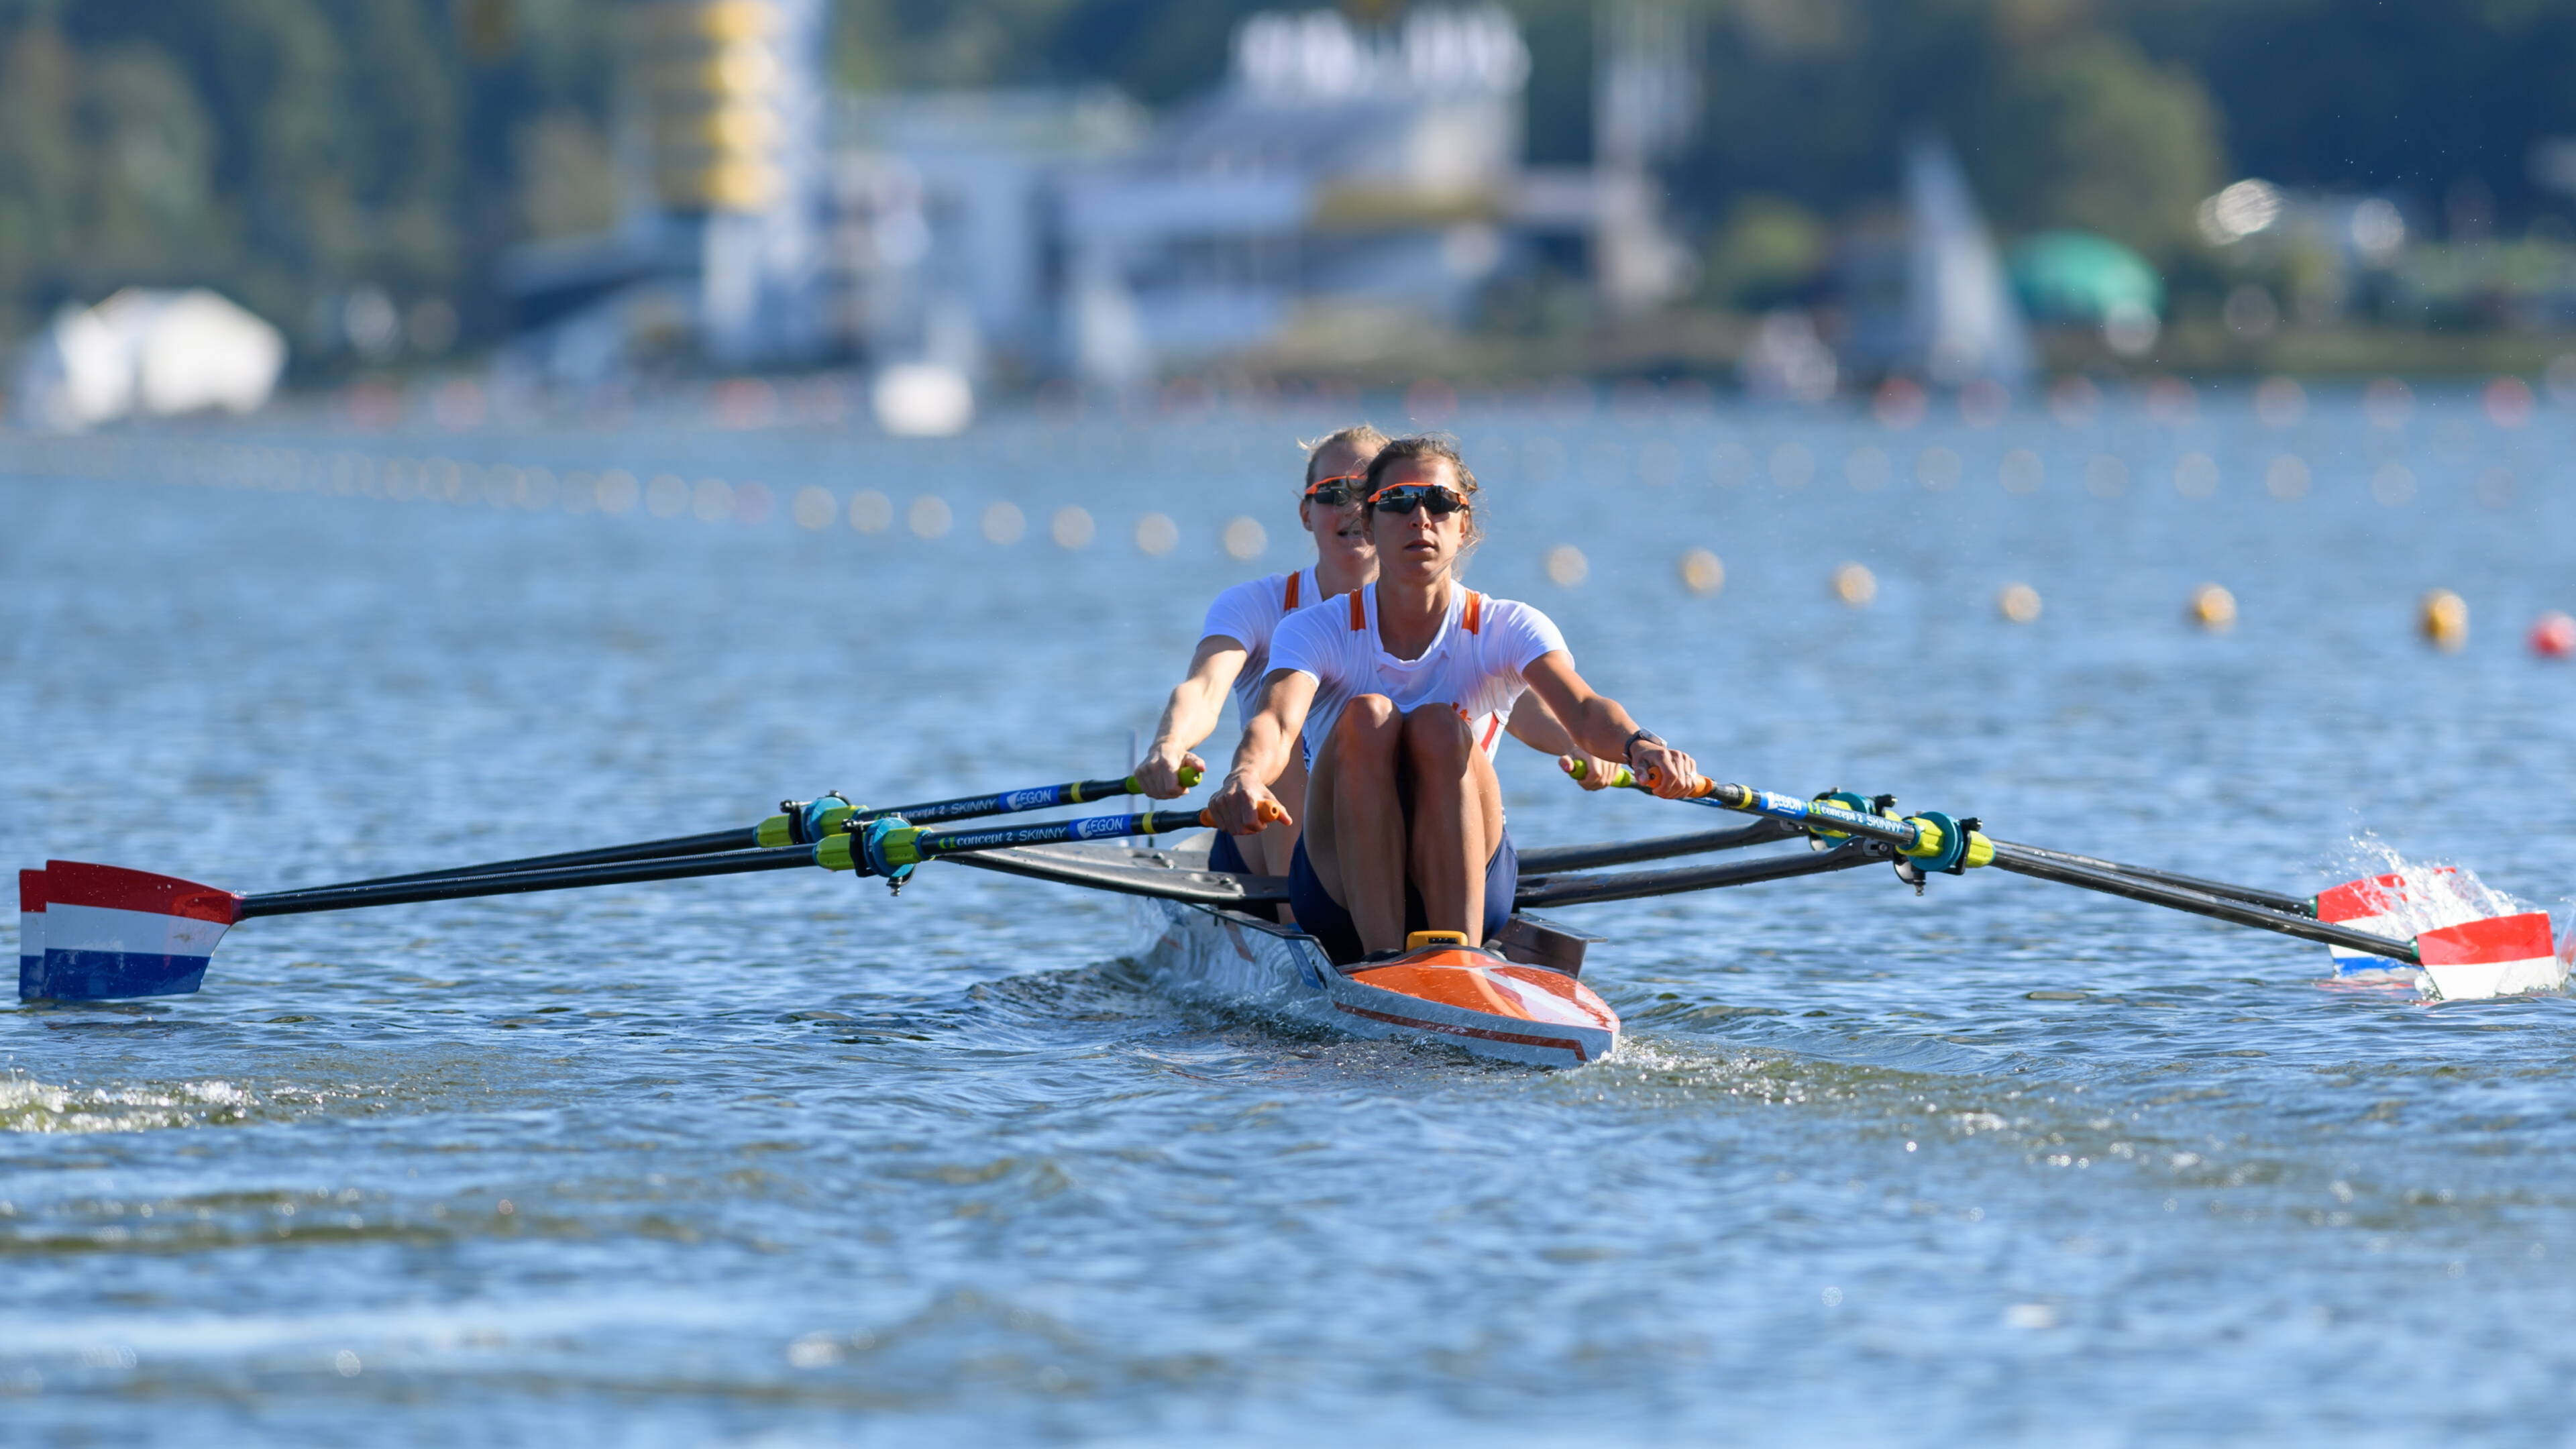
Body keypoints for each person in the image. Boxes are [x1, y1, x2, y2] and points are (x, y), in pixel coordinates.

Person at [1207, 435, 1706, 963]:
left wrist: (1640, 746)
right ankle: (1383, 959)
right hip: (1337, 895)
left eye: (1440, 502)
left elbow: (1583, 709)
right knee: (1369, 715)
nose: (1420, 517)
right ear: (1369, 524)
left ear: (1463, 524)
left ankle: (1456, 964)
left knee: (1439, 727)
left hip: (1471, 877)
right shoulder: (1314, 629)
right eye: (1398, 501)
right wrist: (1245, 776)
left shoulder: (1507, 626)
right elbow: (1277, 722)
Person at [1135, 427, 1613, 891]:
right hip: (1280, 846)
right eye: (1333, 492)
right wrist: (1168, 745)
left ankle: (1441, 922)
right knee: (1302, 752)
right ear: (1306, 512)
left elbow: (1523, 704)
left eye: (1379, 494)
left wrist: (1578, 741)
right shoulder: (1258, 606)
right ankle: (1303, 933)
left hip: (1415, 835)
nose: (1350, 506)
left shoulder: (1469, 619)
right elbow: (1204, 688)